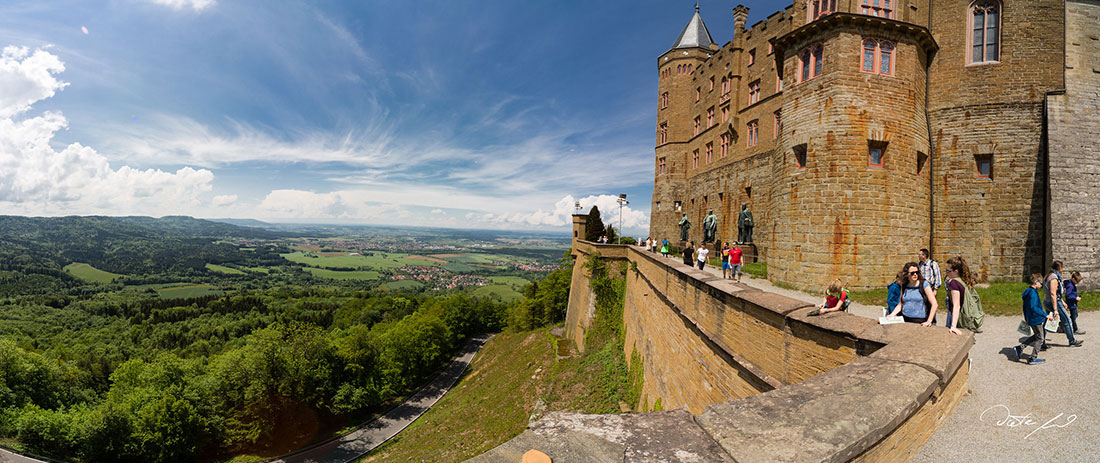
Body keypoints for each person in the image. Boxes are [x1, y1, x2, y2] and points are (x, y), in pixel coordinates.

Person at [1015, 273, 1055, 364]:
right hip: (1035, 318)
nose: (1041, 285)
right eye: (1041, 283)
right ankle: (1033, 358)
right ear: (1036, 281)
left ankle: (1019, 348)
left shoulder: (1028, 290)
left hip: (1031, 317)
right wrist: (1045, 315)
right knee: (1040, 338)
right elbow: (1034, 307)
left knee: (1037, 335)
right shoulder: (1032, 293)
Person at [1045, 261, 1083, 347]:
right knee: (1067, 320)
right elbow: (1053, 294)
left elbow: (1057, 293)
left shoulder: (1049, 275)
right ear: (1059, 268)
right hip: (1054, 302)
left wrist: (1063, 302)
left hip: (1048, 301)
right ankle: (1072, 341)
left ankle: (1041, 341)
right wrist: (1055, 309)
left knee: (1047, 322)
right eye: (1062, 267)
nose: (1063, 269)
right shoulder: (1054, 277)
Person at [889, 261, 938, 326]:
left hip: (920, 320)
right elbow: (900, 304)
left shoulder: (924, 284)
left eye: (917, 272)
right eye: (912, 273)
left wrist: (929, 321)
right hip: (905, 319)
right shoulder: (904, 285)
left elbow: (934, 304)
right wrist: (892, 314)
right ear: (907, 274)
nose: (915, 274)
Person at [943, 256, 977, 336]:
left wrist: (953, 326)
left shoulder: (954, 283)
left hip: (958, 318)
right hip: (966, 316)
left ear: (956, 271)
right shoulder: (963, 280)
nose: (946, 273)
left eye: (948, 271)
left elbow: (956, 305)